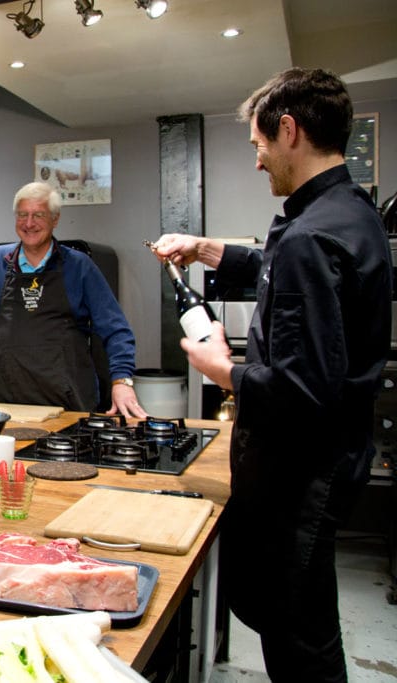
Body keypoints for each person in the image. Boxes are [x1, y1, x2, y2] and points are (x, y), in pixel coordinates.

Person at [152, 67, 390, 681]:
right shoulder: (348, 210)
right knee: (301, 620)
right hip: (336, 457)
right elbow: (276, 264)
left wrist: (221, 370)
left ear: (290, 131)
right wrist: (205, 248)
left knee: (299, 638)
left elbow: (301, 387)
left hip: (302, 469)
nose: (258, 162)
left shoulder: (312, 235)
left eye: (259, 146)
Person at [0, 181, 146, 417]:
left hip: (70, 407)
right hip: (10, 406)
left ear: (55, 219)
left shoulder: (79, 266)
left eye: (38, 215)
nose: (29, 223)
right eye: (22, 215)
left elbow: (116, 330)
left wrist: (121, 381)